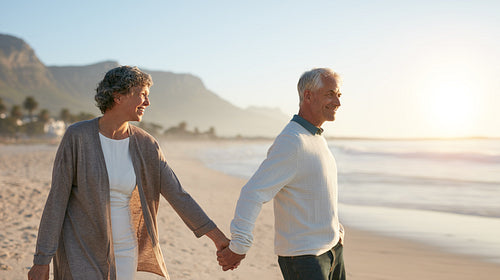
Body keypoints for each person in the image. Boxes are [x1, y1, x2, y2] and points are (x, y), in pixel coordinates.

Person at [28, 65, 230, 280]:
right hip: (81, 248)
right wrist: (41, 260)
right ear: (118, 96)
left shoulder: (146, 145)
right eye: (142, 94)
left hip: (126, 249)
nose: (147, 102)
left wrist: (218, 239)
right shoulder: (78, 136)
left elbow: (178, 195)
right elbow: (57, 200)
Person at [217, 68, 346, 280]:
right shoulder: (292, 141)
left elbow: (317, 191)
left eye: (339, 95)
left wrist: (336, 230)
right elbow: (253, 193)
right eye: (330, 94)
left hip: (332, 250)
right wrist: (239, 245)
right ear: (308, 95)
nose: (337, 102)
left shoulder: (316, 138)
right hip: (305, 258)